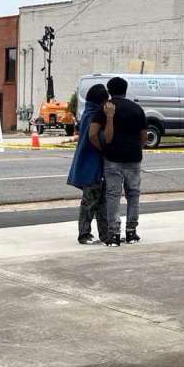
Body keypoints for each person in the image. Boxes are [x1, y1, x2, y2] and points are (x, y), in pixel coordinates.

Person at [89, 77, 147, 247]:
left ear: (109, 90)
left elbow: (92, 134)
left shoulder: (103, 109)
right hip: (134, 158)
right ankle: (132, 232)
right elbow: (143, 136)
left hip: (112, 158)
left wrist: (103, 149)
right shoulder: (137, 109)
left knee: (113, 196)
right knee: (133, 195)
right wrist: (137, 148)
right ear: (125, 90)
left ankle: (114, 234)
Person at [67, 84, 113, 245]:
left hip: (92, 165)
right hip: (91, 166)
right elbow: (95, 137)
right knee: (90, 200)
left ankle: (105, 233)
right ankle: (84, 233)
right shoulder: (93, 116)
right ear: (101, 100)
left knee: (100, 201)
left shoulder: (89, 113)